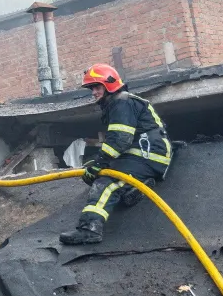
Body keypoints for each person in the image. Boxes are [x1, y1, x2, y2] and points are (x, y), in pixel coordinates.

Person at [59, 63, 173, 245]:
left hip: (145, 155)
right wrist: (97, 164)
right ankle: (133, 187)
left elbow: (119, 141)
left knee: (105, 183)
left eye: (97, 87)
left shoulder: (122, 102)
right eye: (92, 88)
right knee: (97, 173)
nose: (93, 92)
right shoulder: (120, 103)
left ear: (109, 84)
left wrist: (100, 164)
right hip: (143, 155)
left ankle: (90, 229)